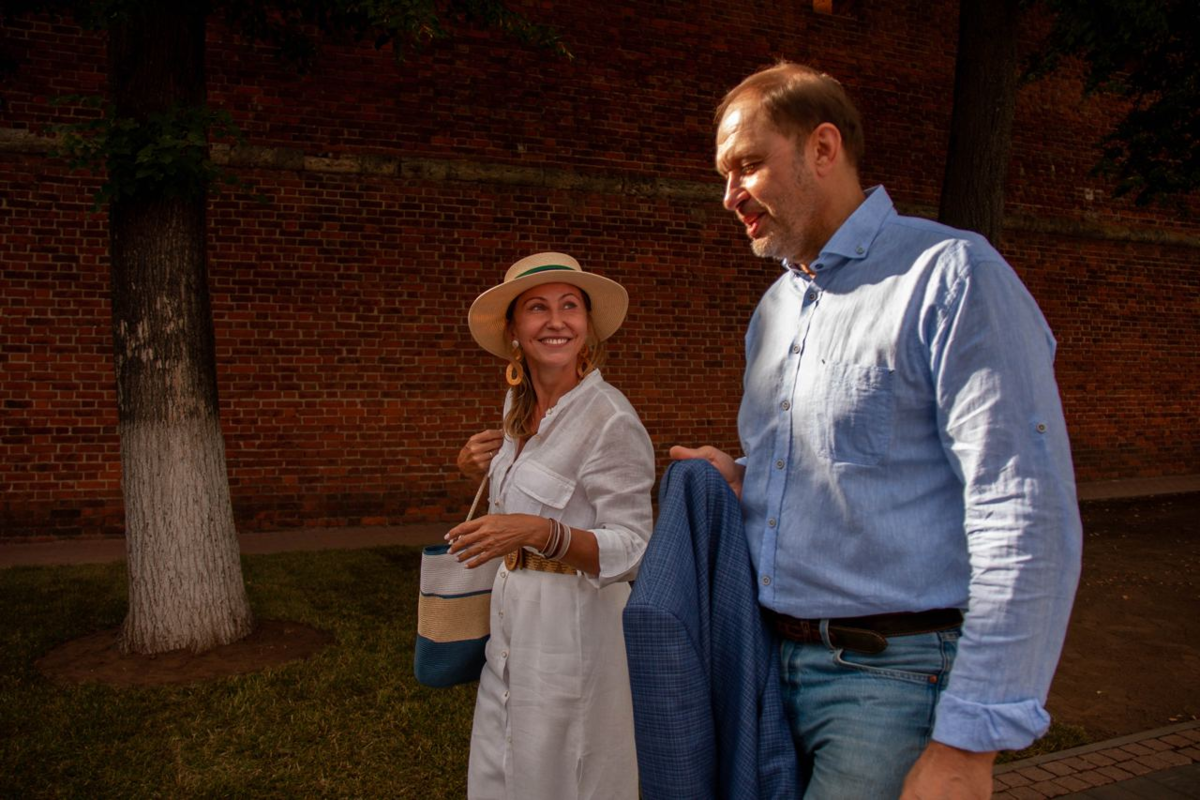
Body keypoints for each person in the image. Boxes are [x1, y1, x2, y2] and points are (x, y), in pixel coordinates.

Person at [672, 62, 1083, 798]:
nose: (730, 195)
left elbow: (1024, 511)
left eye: (748, 165)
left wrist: (969, 743)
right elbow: (847, 466)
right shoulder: (773, 312)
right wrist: (746, 480)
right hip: (765, 672)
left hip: (892, 681)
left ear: (823, 148)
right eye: (723, 176)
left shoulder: (952, 276)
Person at [447, 251, 655, 800]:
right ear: (514, 330)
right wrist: (476, 467)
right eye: (537, 308)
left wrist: (540, 533)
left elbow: (634, 547)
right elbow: (514, 505)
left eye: (570, 306)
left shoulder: (610, 418)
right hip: (510, 626)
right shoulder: (516, 407)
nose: (556, 321)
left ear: (588, 326)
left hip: (575, 633)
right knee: (500, 769)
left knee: (567, 775)